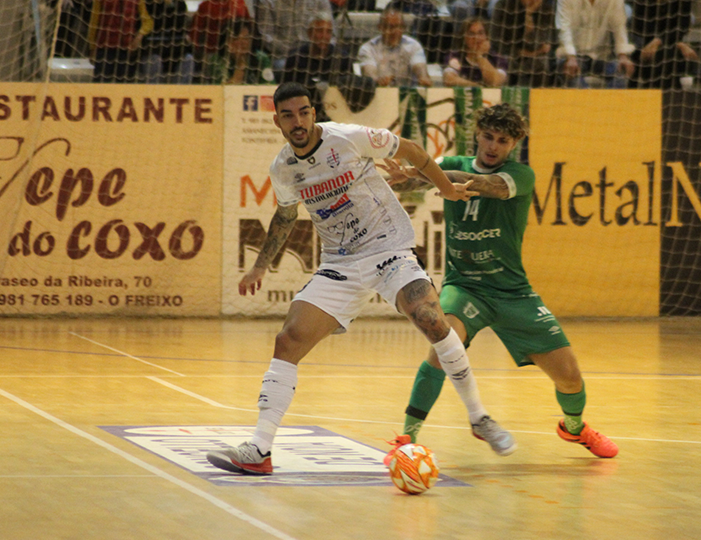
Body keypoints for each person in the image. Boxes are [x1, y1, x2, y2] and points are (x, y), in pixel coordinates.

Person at [205, 82, 514, 475]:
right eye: (288, 115)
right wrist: (262, 265)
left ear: (314, 112)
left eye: (303, 112)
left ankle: (479, 417)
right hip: (341, 262)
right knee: (288, 340)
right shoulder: (283, 167)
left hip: (390, 249)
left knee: (430, 318)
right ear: (277, 121)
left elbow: (414, 151)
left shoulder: (348, 138)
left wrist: (446, 188)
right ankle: (260, 449)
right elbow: (285, 216)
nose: (297, 121)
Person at [380, 103, 619, 461]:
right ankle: (406, 438)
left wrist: (427, 174)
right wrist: (409, 177)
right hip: (465, 287)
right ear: (477, 134)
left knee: (569, 376)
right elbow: (430, 179)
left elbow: (487, 186)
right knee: (442, 344)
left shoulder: (521, 175)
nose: (493, 146)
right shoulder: (454, 164)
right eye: (488, 136)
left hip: (513, 292)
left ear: (513, 144)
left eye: (502, 140)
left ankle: (574, 429)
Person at [555, 0, 634, 88]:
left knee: (621, 74)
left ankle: (610, 102)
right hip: (573, 57)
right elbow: (564, 28)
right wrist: (571, 57)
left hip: (602, 57)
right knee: (576, 81)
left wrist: (622, 55)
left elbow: (619, 27)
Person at [629, 0, 697, 89]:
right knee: (663, 57)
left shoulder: (682, 2)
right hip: (644, 46)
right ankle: (670, 97)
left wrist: (659, 40)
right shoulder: (642, 3)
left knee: (666, 56)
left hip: (673, 46)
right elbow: (639, 28)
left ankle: (657, 95)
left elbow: (682, 28)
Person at [357, 8, 433, 87]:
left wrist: (423, 76)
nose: (395, 31)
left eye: (399, 27)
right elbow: (369, 72)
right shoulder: (368, 48)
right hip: (380, 93)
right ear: (380, 27)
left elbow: (419, 66)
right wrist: (377, 80)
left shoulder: (413, 45)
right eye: (390, 27)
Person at [490, 0, 556, 87]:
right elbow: (496, 42)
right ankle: (507, 99)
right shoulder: (503, 6)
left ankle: (538, 98)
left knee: (541, 64)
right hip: (508, 54)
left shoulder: (546, 9)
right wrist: (519, 53)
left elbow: (539, 44)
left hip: (535, 58)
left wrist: (528, 16)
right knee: (506, 62)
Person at [256, 0, 334, 73]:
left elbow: (332, 32)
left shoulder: (320, 1)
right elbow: (267, 36)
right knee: (282, 66)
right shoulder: (267, 2)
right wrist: (291, 52)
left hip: (316, 54)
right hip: (283, 56)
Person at [88, 0, 154, 83]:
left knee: (124, 87)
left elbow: (148, 21)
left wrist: (139, 37)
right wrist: (92, 47)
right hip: (104, 49)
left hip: (126, 50)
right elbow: (94, 22)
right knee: (101, 86)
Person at [280, 16, 351, 88]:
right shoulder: (295, 58)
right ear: (309, 33)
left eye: (328, 32)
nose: (324, 36)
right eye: (320, 31)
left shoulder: (342, 58)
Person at [202, 19, 275, 85]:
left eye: (246, 38)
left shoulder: (261, 58)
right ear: (227, 42)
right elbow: (223, 91)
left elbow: (269, 86)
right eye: (237, 38)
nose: (243, 42)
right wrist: (240, 66)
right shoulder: (217, 60)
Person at [442, 17, 508, 87]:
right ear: (464, 38)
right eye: (471, 33)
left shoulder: (497, 58)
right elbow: (449, 79)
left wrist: (480, 56)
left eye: (480, 33)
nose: (476, 37)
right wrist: (476, 88)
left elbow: (495, 82)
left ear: (487, 36)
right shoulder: (455, 56)